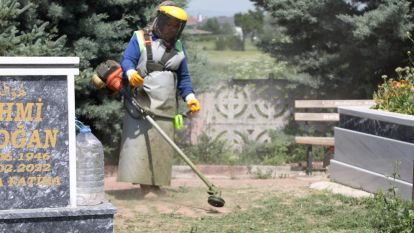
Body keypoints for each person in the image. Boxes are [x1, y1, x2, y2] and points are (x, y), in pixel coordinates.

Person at [117, 2, 200, 194]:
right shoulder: (139, 37)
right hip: (142, 101)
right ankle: (145, 187)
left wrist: (190, 98)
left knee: (162, 146)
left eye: (175, 26)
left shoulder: (178, 46)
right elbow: (127, 60)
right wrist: (130, 73)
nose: (171, 29)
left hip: (166, 104)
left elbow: (184, 77)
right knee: (141, 145)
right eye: (168, 24)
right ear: (159, 21)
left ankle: (157, 185)